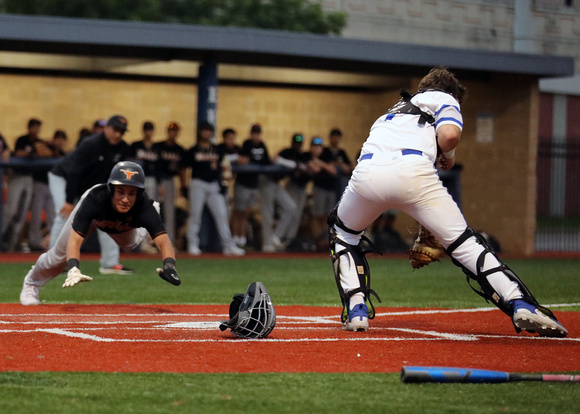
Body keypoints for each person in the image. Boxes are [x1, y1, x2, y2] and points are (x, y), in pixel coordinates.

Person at [328, 66, 567, 337]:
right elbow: (450, 135)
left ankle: (357, 309)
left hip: (366, 174)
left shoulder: (391, 111)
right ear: (451, 92)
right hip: (413, 171)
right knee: (464, 246)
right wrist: (449, 155)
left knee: (344, 234)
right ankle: (519, 302)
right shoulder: (445, 97)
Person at [20, 161, 181, 306]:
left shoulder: (145, 207)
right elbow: (74, 240)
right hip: (94, 218)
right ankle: (31, 285)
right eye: (120, 191)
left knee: (129, 244)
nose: (125, 199)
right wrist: (74, 268)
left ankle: (146, 227)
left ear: (139, 195)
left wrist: (169, 265)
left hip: (124, 227)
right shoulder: (94, 199)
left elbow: (164, 242)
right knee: (57, 256)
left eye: (132, 193)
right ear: (111, 189)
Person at [48, 115, 134, 275]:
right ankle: (54, 263)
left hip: (90, 185)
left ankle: (110, 263)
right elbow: (74, 172)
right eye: (115, 130)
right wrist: (68, 201)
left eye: (121, 132)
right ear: (107, 128)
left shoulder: (122, 148)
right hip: (63, 177)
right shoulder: (90, 144)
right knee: (64, 215)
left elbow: (114, 175)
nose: (118, 135)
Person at [184, 121, 245, 256]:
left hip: (213, 185)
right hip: (197, 183)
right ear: (200, 132)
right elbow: (184, 168)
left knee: (222, 215)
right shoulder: (193, 150)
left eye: (209, 130)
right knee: (195, 215)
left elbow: (225, 167)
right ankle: (192, 244)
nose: (207, 133)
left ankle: (228, 246)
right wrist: (184, 185)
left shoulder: (218, 150)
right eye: (204, 130)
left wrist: (224, 183)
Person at [2, 118, 50, 251]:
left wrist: (46, 146)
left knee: (22, 214)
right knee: (10, 211)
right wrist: (31, 151)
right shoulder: (22, 139)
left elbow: (47, 154)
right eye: (34, 127)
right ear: (29, 128)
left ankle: (11, 246)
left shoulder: (39, 142)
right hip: (17, 177)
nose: (36, 130)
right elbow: (17, 153)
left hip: (29, 178)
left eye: (38, 128)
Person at [260, 133, 303, 251]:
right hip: (267, 180)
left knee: (291, 207)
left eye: (300, 144)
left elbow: (297, 166)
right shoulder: (286, 151)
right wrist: (285, 162)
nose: (298, 145)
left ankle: (276, 237)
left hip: (276, 183)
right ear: (292, 143)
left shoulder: (299, 155)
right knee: (268, 212)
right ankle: (267, 243)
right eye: (296, 143)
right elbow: (275, 159)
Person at [230, 124, 269, 249]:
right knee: (238, 212)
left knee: (246, 213)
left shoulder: (262, 145)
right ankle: (235, 238)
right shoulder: (246, 144)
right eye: (254, 133)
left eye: (258, 133)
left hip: (253, 184)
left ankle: (242, 238)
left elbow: (266, 160)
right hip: (243, 183)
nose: (256, 136)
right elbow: (244, 159)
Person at [27, 129, 67, 251]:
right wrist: (49, 147)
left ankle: (51, 243)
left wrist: (54, 152)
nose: (59, 141)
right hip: (40, 183)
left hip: (54, 188)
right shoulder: (45, 145)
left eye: (62, 139)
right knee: (36, 215)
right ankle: (34, 243)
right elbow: (39, 150)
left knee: (53, 216)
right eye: (57, 138)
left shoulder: (63, 153)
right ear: (53, 138)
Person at [152, 121, 187, 243]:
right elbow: (153, 166)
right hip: (157, 180)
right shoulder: (158, 146)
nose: (173, 133)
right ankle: (152, 240)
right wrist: (159, 183)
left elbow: (182, 169)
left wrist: (183, 186)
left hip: (170, 180)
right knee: (153, 211)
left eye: (175, 131)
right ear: (167, 132)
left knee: (169, 213)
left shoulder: (180, 149)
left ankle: (168, 241)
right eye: (171, 131)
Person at [128, 121, 158, 198]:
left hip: (151, 177)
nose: (148, 132)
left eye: (150, 130)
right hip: (138, 177)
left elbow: (159, 166)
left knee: (151, 200)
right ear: (143, 131)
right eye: (147, 130)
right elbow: (130, 162)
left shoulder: (156, 147)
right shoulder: (136, 145)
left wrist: (159, 182)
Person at [324, 128, 353, 200]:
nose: (336, 139)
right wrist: (340, 165)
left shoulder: (342, 152)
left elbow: (348, 164)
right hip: (329, 184)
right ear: (330, 138)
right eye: (334, 137)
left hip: (341, 184)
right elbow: (327, 163)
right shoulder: (325, 151)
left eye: (338, 137)